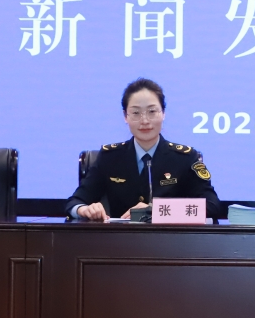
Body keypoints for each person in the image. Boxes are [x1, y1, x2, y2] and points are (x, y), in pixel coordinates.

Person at [66, 78, 221, 221]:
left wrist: (155, 211)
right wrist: (84, 209)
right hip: (120, 240)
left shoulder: (185, 158)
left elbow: (212, 205)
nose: (145, 120)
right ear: (125, 116)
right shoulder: (110, 157)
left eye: (152, 112)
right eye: (136, 113)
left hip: (171, 241)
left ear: (163, 113)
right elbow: (75, 201)